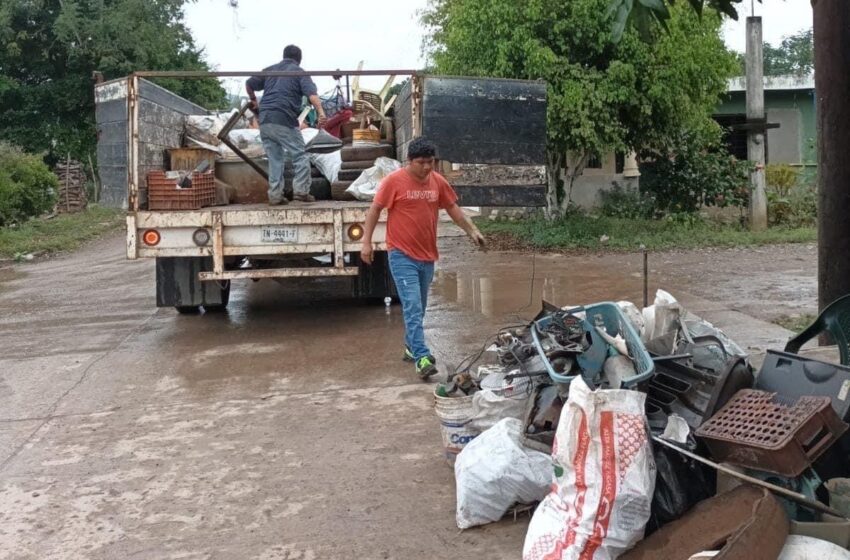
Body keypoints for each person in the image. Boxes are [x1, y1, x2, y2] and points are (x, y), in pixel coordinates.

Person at [360, 138, 486, 379]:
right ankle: (422, 356)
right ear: (410, 161)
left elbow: (453, 209)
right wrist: (366, 242)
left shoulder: (437, 182)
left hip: (427, 256)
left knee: (420, 308)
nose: (427, 167)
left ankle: (410, 345)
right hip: (401, 254)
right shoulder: (394, 182)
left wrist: (472, 231)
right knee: (413, 306)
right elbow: (375, 209)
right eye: (422, 163)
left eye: (431, 162)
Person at [246, 45, 327, 205]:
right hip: (283, 118)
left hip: (265, 121)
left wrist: (254, 100)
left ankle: (275, 196)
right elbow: (312, 95)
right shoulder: (298, 72)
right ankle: (301, 192)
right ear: (299, 59)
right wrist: (321, 112)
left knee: (275, 159)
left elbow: (249, 83)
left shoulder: (271, 70)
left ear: (283, 56)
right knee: (300, 155)